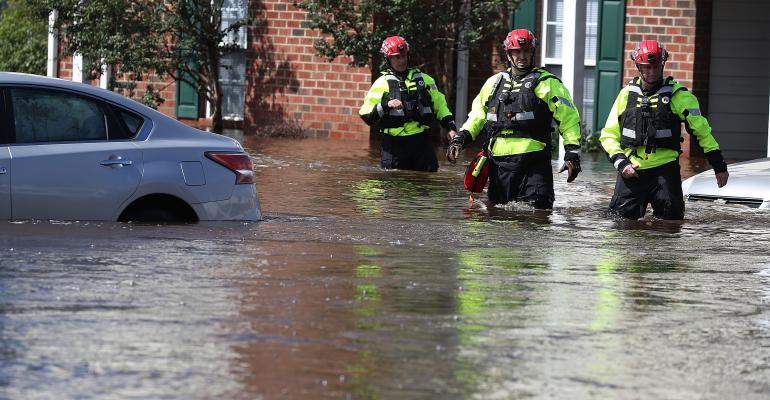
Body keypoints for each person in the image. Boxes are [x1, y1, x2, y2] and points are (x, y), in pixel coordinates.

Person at [446, 28, 582, 209]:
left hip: (533, 165)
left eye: (526, 51)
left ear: (532, 52)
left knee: (537, 217)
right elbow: (477, 116)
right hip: (499, 166)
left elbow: (569, 119)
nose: (522, 56)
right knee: (498, 219)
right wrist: (460, 139)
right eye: (516, 52)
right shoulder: (494, 83)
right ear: (509, 54)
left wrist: (572, 154)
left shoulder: (548, 83)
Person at [599, 39, 729, 220]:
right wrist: (621, 163)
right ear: (638, 67)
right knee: (620, 226)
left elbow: (703, 133)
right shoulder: (625, 95)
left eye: (655, 67)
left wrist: (719, 166)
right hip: (631, 171)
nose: (651, 72)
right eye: (646, 68)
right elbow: (608, 135)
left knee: (670, 226)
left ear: (662, 65)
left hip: (665, 172)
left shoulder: (680, 96)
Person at [359, 36, 457, 172]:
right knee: (393, 186)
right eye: (397, 57)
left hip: (421, 143)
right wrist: (386, 105)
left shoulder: (425, 80)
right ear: (388, 59)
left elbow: (441, 107)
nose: (402, 61)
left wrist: (451, 128)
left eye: (404, 56)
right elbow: (366, 115)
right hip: (394, 145)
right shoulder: (381, 83)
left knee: (428, 185)